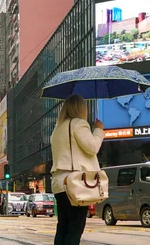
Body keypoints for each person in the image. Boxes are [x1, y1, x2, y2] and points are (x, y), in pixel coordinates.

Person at [50, 94, 104, 245]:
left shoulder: (57, 129)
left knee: (63, 226)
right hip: (75, 184)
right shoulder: (78, 124)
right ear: (80, 108)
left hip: (59, 184)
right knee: (75, 227)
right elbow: (92, 147)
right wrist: (99, 130)